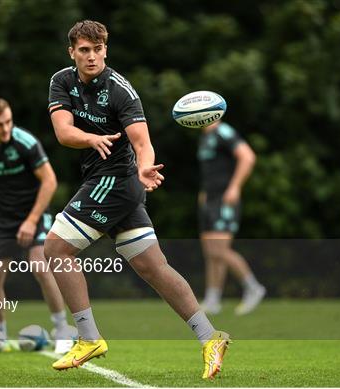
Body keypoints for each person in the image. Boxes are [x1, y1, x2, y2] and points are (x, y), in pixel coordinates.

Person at [44, 20, 229, 379]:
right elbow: (64, 132)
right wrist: (89, 140)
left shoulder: (121, 91)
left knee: (55, 249)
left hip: (115, 181)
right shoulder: (61, 81)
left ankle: (88, 337)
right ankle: (211, 337)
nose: (92, 56)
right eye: (84, 50)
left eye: (98, 49)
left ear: (106, 50)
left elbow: (142, 142)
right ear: (72, 53)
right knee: (152, 268)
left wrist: (145, 169)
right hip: (106, 181)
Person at [0, 98, 77, 353]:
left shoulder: (25, 142)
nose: (5, 129)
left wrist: (30, 221)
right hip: (4, 219)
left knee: (39, 265)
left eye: (8, 122)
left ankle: (61, 330)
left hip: (35, 215)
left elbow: (50, 181)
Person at [198, 119, 266, 315]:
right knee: (211, 252)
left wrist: (235, 187)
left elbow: (247, 157)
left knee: (220, 250)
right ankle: (212, 300)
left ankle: (253, 288)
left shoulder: (224, 131)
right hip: (209, 201)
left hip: (224, 200)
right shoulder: (205, 136)